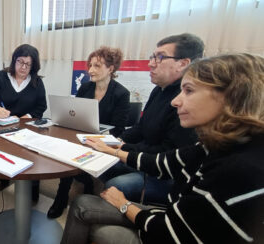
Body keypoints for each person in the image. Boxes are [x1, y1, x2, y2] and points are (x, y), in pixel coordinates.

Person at [61, 53, 264, 244]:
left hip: (166, 230)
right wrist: (112, 149)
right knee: (88, 194)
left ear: (233, 97)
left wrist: (124, 204)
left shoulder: (238, 170)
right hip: (173, 213)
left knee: (97, 205)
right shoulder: (217, 145)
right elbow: (165, 161)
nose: (176, 101)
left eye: (189, 91)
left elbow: (167, 232)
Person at [99, 33, 204, 205]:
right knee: (101, 161)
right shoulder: (158, 90)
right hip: (144, 156)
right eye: (152, 57)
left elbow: (167, 152)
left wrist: (123, 147)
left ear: (183, 63)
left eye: (160, 57)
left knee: (115, 184)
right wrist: (116, 140)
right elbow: (141, 128)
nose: (150, 63)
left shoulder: (187, 103)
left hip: (165, 173)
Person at [47, 46, 131, 218]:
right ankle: (74, 188)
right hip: (81, 135)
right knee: (67, 149)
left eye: (97, 66)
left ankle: (61, 197)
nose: (90, 70)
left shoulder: (121, 93)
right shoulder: (85, 88)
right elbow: (75, 114)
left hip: (104, 140)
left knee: (71, 154)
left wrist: (97, 137)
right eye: (90, 65)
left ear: (111, 69)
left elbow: (119, 128)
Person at [0, 44, 47, 201]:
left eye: (28, 64)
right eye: (20, 61)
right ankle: (3, 181)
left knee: (31, 158)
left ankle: (32, 189)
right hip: (4, 127)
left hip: (27, 129)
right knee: (4, 156)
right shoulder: (1, 77)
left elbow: (41, 106)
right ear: (13, 60)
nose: (23, 67)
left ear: (33, 66)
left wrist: (26, 117)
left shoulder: (36, 82)